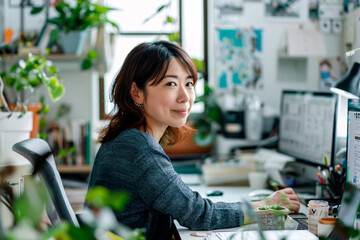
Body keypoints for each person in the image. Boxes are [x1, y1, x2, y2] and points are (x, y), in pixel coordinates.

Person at [87, 41, 300, 238]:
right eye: (170, 84)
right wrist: (266, 205)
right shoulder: (138, 149)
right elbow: (199, 214)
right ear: (137, 93)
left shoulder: (126, 139)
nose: (185, 96)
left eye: (188, 83)